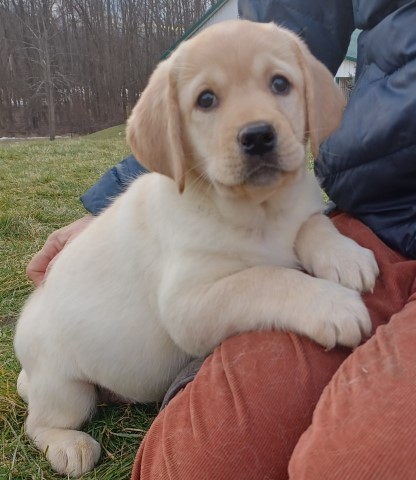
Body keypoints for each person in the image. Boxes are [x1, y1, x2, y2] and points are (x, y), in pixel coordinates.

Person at [27, 0, 416, 478]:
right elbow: (188, 312)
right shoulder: (175, 211)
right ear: (173, 131)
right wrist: (299, 292)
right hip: (79, 357)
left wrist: (320, 238)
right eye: (207, 100)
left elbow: (304, 218)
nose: (256, 124)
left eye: (279, 84)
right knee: (181, 457)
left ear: (312, 96)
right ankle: (47, 426)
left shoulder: (294, 188)